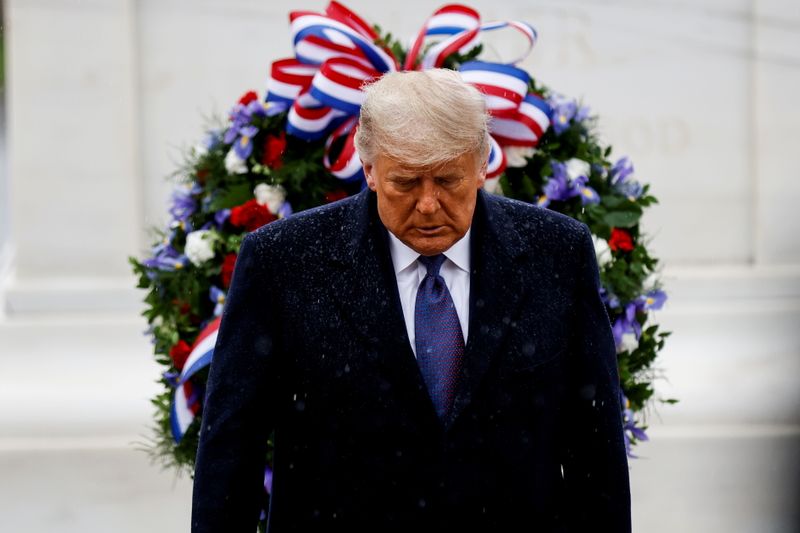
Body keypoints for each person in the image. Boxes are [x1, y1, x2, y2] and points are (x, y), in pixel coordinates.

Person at [191, 69, 631, 532]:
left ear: (482, 164)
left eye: (447, 180)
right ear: (369, 169)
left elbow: (594, 450)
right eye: (405, 182)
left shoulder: (557, 253)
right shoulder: (283, 263)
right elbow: (231, 453)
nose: (427, 204)